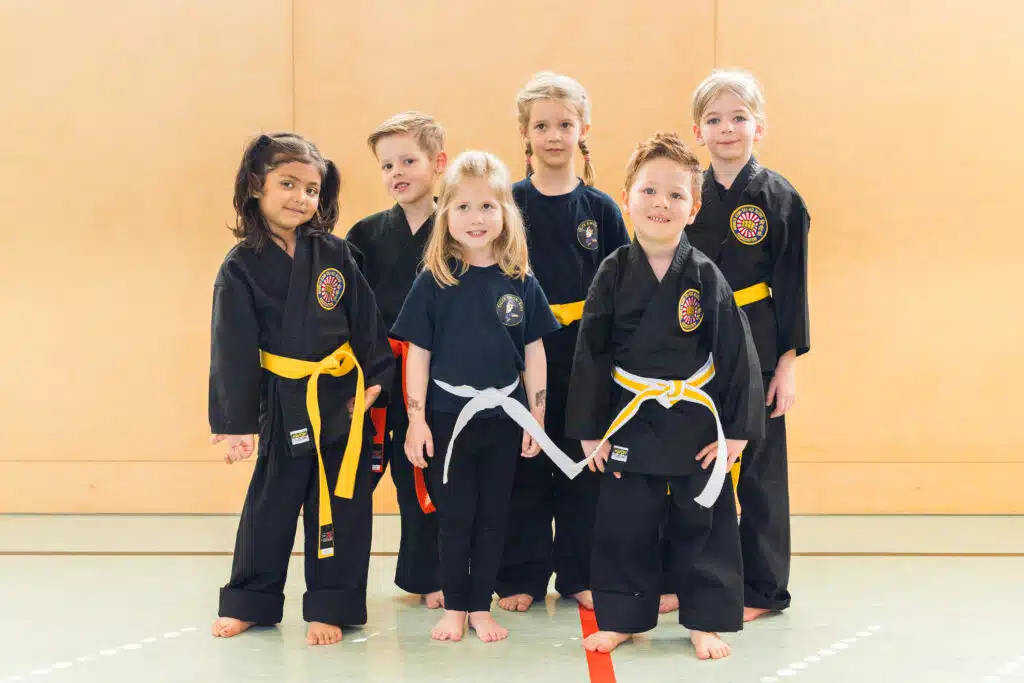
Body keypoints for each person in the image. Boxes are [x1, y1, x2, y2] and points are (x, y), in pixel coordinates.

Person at [565, 132, 764, 659]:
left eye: (676, 195)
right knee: (624, 524)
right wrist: (590, 431)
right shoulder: (612, 272)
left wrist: (736, 434)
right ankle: (626, 618)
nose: (661, 204)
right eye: (650, 191)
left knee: (706, 520)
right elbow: (592, 352)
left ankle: (705, 620)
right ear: (627, 195)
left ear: (694, 208)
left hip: (696, 423)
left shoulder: (704, 275)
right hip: (630, 419)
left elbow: (736, 352)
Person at [208, 133, 394, 646]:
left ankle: (332, 604)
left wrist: (375, 381)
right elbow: (232, 349)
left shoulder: (335, 253)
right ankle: (251, 600)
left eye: (311, 189)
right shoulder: (241, 265)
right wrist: (235, 425)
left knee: (344, 503)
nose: (300, 198)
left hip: (341, 397)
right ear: (255, 187)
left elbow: (366, 324)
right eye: (288, 184)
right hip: (285, 399)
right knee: (270, 505)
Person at [392, 150, 561, 642]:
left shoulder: (521, 282)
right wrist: (417, 420)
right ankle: (456, 606)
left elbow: (535, 353)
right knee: (454, 516)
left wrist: (537, 416)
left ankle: (481, 605)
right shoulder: (435, 281)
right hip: (447, 417)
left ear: (506, 213)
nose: (476, 218)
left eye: (488, 206)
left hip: (504, 419)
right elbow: (417, 356)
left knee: (493, 517)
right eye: (463, 207)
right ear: (446, 215)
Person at [497, 71, 630, 613]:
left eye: (565, 124)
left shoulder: (601, 209)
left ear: (584, 129)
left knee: (584, 469)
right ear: (525, 134)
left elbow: (622, 289)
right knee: (525, 467)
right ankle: (521, 574)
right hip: (522, 356)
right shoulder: (507, 204)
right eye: (542, 125)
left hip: (584, 359)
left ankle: (580, 572)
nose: (554, 135)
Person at [686, 69, 811, 622]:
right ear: (698, 131)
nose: (727, 128)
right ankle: (691, 578)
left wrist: (785, 367)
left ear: (759, 126)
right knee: (690, 463)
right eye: (714, 119)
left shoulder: (780, 198)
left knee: (758, 471)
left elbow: (793, 286)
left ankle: (762, 589)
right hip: (694, 344)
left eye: (738, 117)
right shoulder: (687, 191)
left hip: (758, 343)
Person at [347, 111, 448, 608]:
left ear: (439, 163)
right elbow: (345, 311)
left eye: (409, 160)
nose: (397, 173)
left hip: (438, 373)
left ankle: (428, 574)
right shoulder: (364, 236)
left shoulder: (459, 230)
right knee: (360, 475)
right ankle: (341, 580)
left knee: (422, 474)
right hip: (376, 370)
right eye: (387, 165)